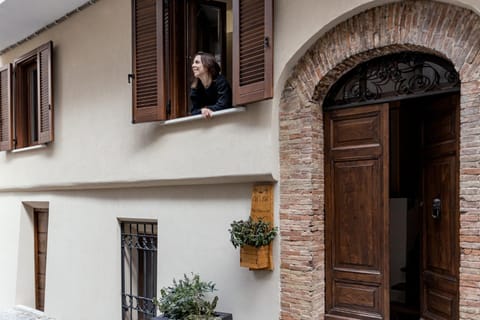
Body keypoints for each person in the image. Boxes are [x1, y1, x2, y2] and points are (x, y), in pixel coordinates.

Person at [190, 52, 232, 118]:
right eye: (193, 63)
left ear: (207, 66)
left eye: (197, 62)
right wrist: (202, 111)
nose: (193, 65)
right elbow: (193, 112)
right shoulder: (195, 87)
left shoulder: (221, 81)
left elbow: (224, 105)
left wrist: (205, 109)